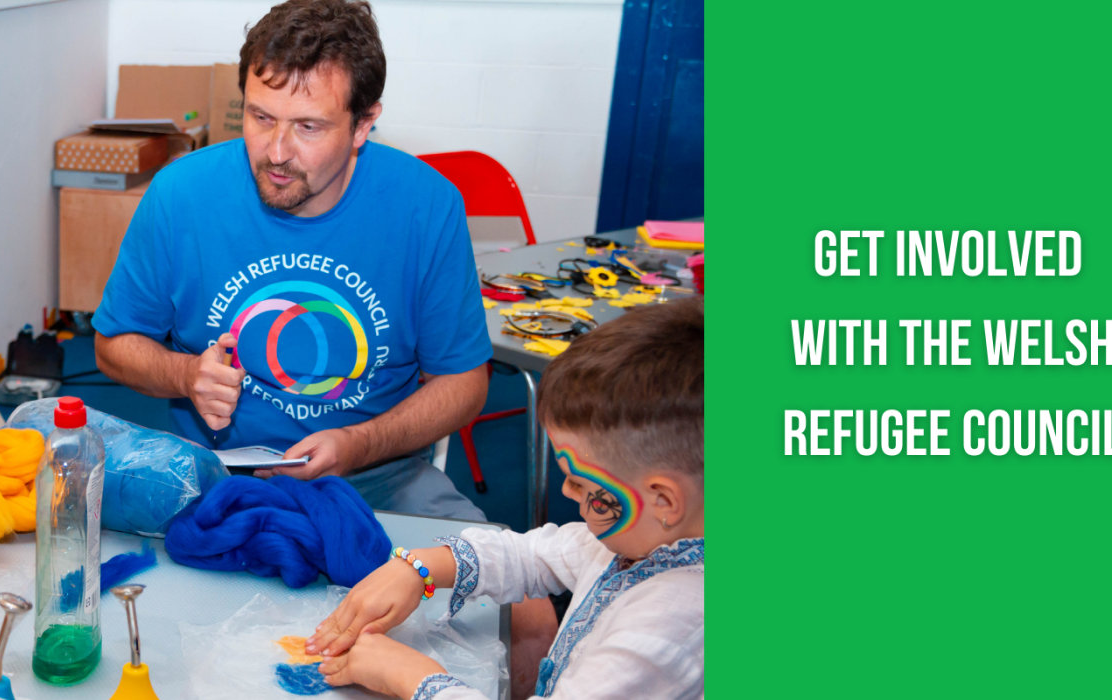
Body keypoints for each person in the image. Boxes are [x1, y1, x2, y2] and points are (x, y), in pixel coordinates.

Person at [93, 0, 492, 521]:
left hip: (374, 474)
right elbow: (112, 346)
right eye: (260, 117)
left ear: (363, 124)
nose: (275, 151)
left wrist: (359, 444)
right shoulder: (180, 193)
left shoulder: (426, 206)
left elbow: (464, 382)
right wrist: (185, 373)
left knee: (494, 583)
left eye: (308, 127)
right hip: (208, 474)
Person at [308, 297, 706, 700]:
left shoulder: (666, 629)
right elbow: (532, 555)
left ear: (664, 500)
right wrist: (420, 567)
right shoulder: (642, 537)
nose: (567, 492)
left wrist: (411, 677)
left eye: (585, 487)